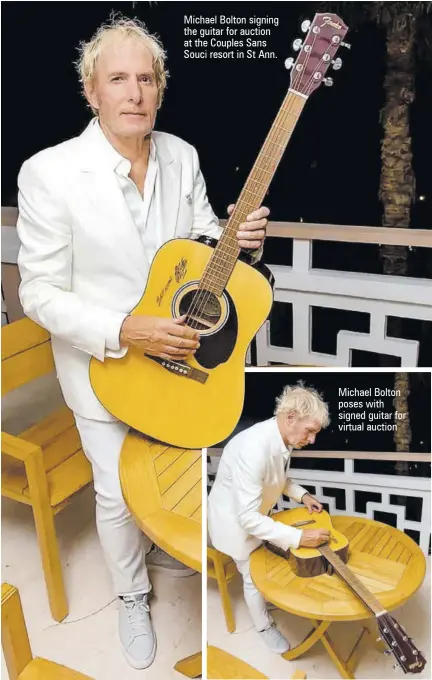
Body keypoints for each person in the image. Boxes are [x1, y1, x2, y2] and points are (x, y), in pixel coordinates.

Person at [16, 17, 268, 670]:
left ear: (159, 89)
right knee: (113, 489)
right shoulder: (49, 174)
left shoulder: (181, 155)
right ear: (91, 91)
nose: (135, 92)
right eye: (119, 79)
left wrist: (236, 242)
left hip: (176, 358)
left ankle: (157, 539)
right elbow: (39, 294)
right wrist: (124, 329)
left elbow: (201, 235)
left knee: (168, 462)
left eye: (147, 78)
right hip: (101, 360)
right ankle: (130, 592)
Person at [208, 383, 330, 653]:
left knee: (281, 557)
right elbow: (248, 519)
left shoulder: (279, 436)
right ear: (290, 418)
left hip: (254, 515)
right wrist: (299, 537)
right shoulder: (253, 449)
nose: (312, 440)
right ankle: (263, 626)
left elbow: (278, 477)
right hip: (234, 525)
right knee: (253, 577)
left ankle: (279, 597)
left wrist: (303, 495)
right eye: (310, 431)